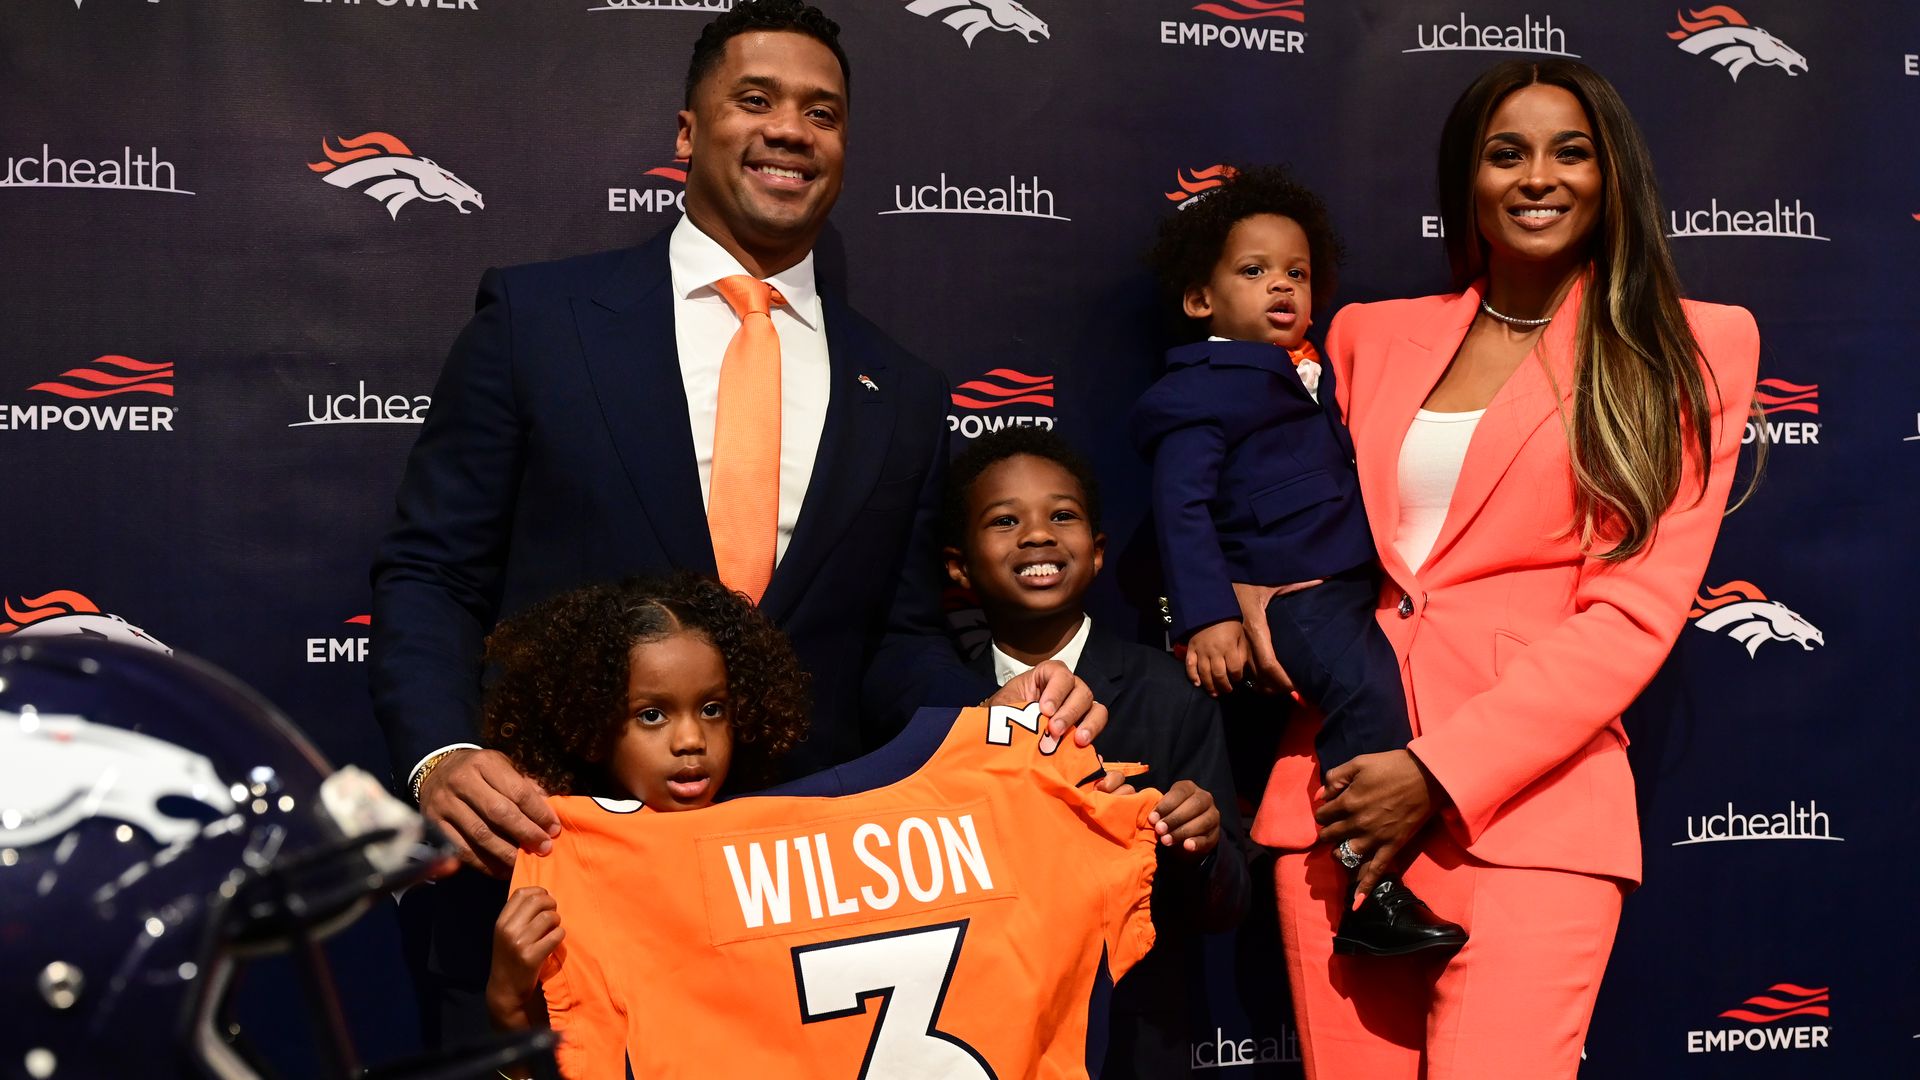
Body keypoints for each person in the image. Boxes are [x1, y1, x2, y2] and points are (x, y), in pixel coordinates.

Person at [368, 0, 1103, 1047]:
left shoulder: (899, 386)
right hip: (560, 895)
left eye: (822, 111)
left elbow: (892, 643)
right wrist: (440, 753)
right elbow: (429, 574)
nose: (790, 129)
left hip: (804, 922)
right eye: (755, 100)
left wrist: (997, 723)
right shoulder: (538, 323)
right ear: (686, 131)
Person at [1249, 59, 1762, 1078]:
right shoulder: (1368, 335)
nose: (1540, 177)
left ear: (1611, 175)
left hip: (1532, 813)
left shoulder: (1691, 349)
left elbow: (1632, 614)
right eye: (1506, 152)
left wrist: (1437, 773)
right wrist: (1256, 611)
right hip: (1342, 803)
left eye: (1571, 151)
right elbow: (1298, 528)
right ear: (1468, 182)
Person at [1129, 165, 1466, 957]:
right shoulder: (1201, 387)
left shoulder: (1317, 375)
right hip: (1296, 600)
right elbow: (1181, 509)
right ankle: (1366, 883)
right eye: (1253, 272)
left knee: (1392, 684)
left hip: (1348, 588)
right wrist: (1208, 616)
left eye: (1297, 273)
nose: (1281, 286)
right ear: (1199, 301)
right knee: (1367, 688)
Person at [940, 427, 1252, 1079]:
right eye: (1005, 520)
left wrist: (1198, 842)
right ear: (959, 566)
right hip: (979, 1039)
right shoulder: (938, 706)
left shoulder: (1170, 695)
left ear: (1098, 551)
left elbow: (1226, 905)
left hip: (1136, 1042)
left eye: (1062, 515)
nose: (1037, 535)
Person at [478, 573, 811, 1041]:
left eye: (712, 709)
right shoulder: (558, 871)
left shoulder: (783, 853)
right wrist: (507, 1000)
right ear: (591, 723)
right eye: (651, 715)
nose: (691, 740)